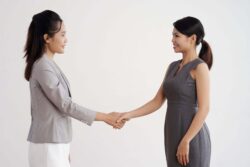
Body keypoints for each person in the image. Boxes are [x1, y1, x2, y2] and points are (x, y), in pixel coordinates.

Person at [23, 10, 124, 167]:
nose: (66, 39)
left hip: (55, 144)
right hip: (48, 146)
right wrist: (106, 117)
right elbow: (65, 105)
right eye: (62, 34)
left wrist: (63, 148)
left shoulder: (48, 64)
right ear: (47, 38)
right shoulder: (43, 66)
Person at [117, 16, 212, 167]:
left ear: (192, 38)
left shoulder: (200, 67)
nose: (172, 40)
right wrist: (129, 115)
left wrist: (186, 140)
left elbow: (204, 108)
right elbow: (157, 101)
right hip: (172, 134)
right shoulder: (172, 66)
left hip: (192, 137)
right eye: (172, 35)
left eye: (177, 36)